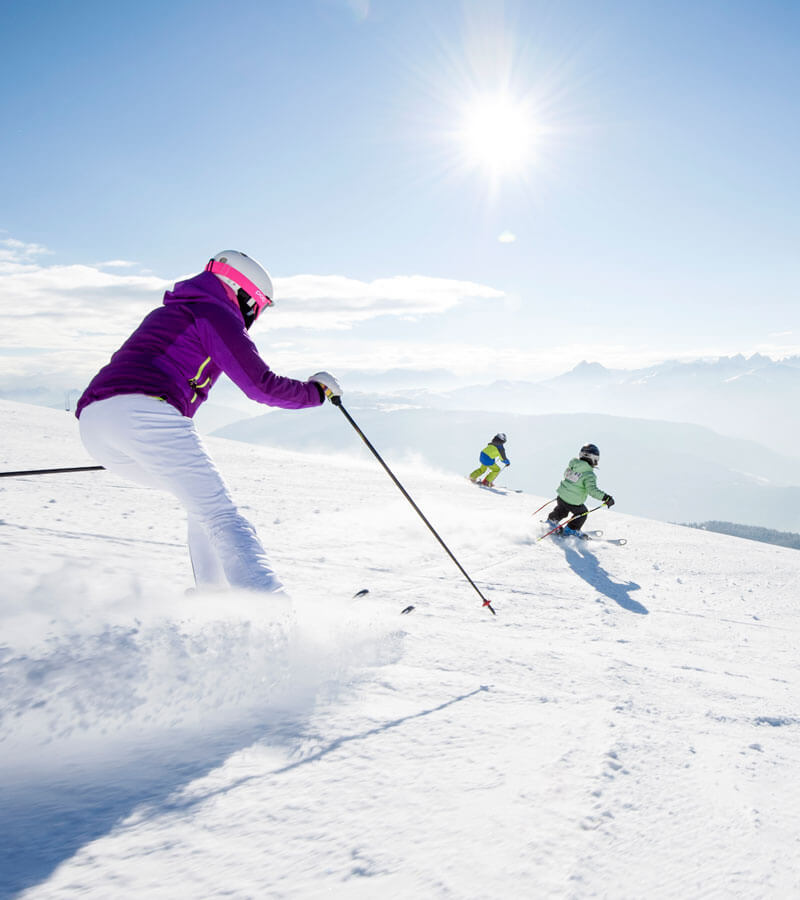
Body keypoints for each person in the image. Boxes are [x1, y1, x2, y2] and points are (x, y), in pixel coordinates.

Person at [76, 249, 341, 595]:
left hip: (95, 422)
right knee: (220, 513)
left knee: (200, 503)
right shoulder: (216, 313)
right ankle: (269, 610)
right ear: (245, 294)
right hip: (142, 414)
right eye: (258, 307)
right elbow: (261, 385)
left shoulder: (171, 311)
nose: (254, 316)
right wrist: (316, 393)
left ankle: (213, 598)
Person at [546, 443, 615, 537]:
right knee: (582, 513)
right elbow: (592, 490)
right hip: (573, 501)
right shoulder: (589, 474)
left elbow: (566, 476)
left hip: (561, 497)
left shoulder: (572, 466)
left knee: (562, 511)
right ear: (594, 458)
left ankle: (551, 521)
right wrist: (606, 498)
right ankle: (571, 530)